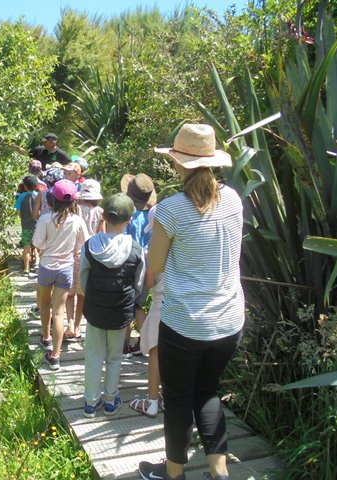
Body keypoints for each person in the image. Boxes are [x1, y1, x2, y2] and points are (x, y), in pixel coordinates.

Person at [138, 124, 244, 480]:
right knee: (207, 392)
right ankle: (219, 474)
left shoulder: (170, 210)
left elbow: (155, 266)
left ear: (177, 162)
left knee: (179, 398)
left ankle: (173, 475)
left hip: (184, 323)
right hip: (228, 322)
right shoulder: (233, 199)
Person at [80, 193, 146, 417]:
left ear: (104, 217)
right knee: (115, 357)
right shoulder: (135, 249)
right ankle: (110, 401)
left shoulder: (90, 246)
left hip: (95, 310)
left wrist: (93, 297)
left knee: (93, 356)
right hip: (120, 311)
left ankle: (90, 402)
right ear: (129, 220)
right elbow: (138, 284)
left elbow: (83, 279)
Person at [33, 179, 89, 371]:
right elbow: (84, 243)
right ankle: (55, 356)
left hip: (46, 266)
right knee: (59, 312)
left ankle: (46, 338)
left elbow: (38, 243)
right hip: (66, 269)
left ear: (52, 200)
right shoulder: (77, 221)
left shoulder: (45, 219)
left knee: (45, 304)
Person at [129, 205, 163, 417]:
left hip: (162, 304)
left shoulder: (155, 248)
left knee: (155, 353)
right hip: (185, 306)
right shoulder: (187, 243)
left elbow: (149, 282)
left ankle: (152, 401)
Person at [120, 173, 157, 358]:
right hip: (149, 265)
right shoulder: (152, 215)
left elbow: (123, 241)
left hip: (131, 265)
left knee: (128, 305)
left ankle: (125, 345)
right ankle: (143, 341)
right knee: (138, 305)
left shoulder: (129, 215)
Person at [66, 179, 105, 341]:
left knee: (69, 294)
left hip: (71, 254)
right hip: (89, 256)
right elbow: (101, 235)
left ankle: (69, 323)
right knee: (82, 295)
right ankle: (76, 326)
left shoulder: (74, 209)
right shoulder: (100, 212)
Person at [15, 175, 39, 278]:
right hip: (37, 226)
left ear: (25, 186)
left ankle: (26, 269)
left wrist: (23, 216)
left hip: (25, 226)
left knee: (26, 248)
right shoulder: (38, 196)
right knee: (37, 247)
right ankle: (37, 264)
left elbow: (18, 212)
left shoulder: (22, 196)